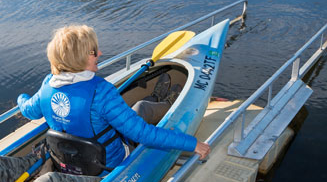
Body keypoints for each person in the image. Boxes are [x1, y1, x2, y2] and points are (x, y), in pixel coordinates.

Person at [17, 24, 211, 172]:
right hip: (107, 165)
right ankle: (167, 102)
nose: (99, 54)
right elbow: (142, 134)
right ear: (78, 59)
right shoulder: (102, 92)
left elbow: (29, 110)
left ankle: (157, 97)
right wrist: (192, 143)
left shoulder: (46, 86)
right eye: (93, 52)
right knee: (141, 108)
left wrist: (20, 98)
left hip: (70, 163)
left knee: (128, 113)